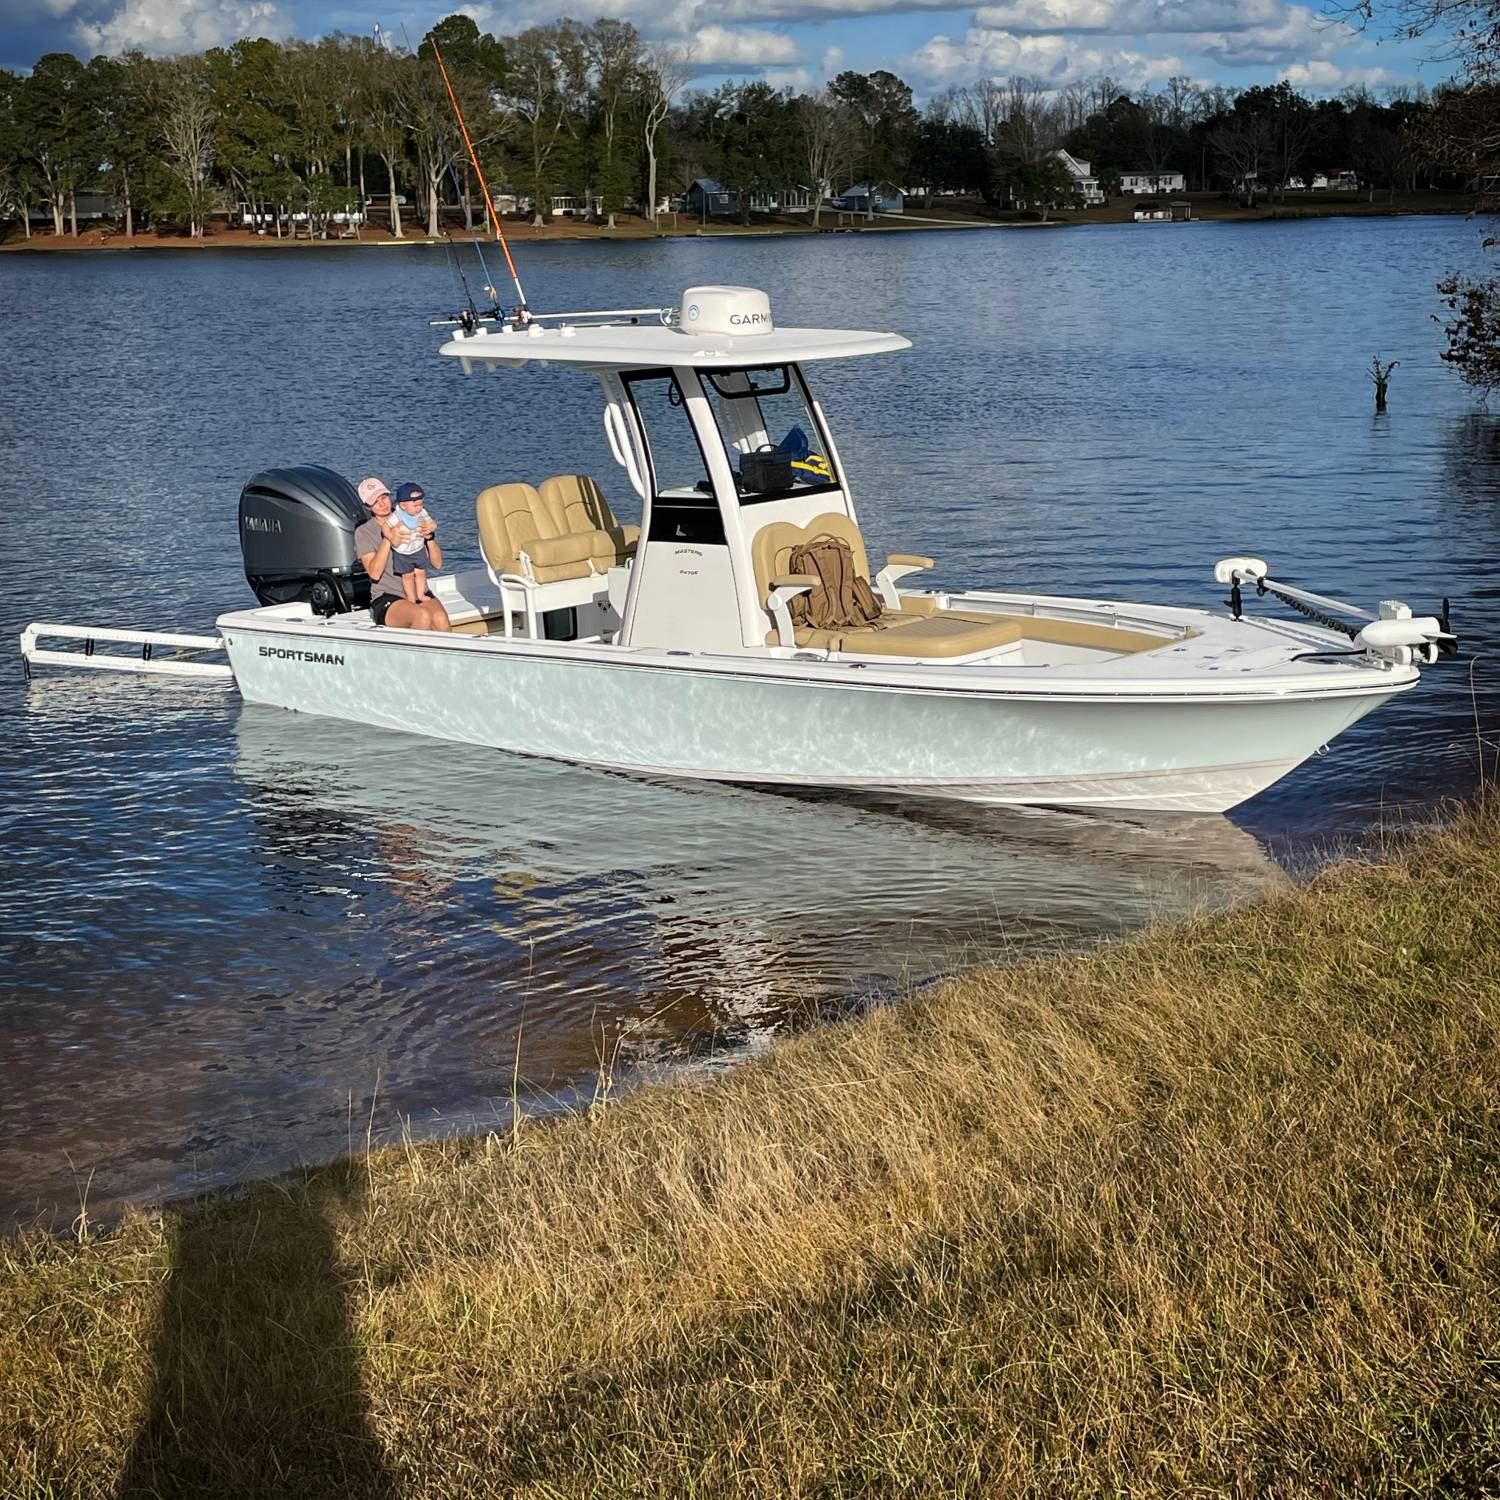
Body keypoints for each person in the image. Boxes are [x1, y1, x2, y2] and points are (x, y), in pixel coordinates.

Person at [354, 477, 452, 631]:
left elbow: (437, 563)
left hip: (419, 592)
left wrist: (430, 537)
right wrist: (389, 538)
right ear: (367, 506)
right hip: (388, 596)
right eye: (375, 501)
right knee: (422, 616)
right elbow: (374, 573)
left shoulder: (413, 515)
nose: (382, 503)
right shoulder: (363, 532)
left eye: (384, 497)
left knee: (441, 620)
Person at [382, 481, 438, 605]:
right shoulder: (397, 516)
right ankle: (411, 597)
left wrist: (431, 527)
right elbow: (385, 527)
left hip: (418, 548)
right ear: (403, 506)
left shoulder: (422, 513)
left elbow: (432, 522)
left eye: (421, 504)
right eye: (415, 505)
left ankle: (421, 594)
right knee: (407, 576)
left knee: (420, 572)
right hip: (402, 552)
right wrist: (391, 537)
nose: (419, 508)